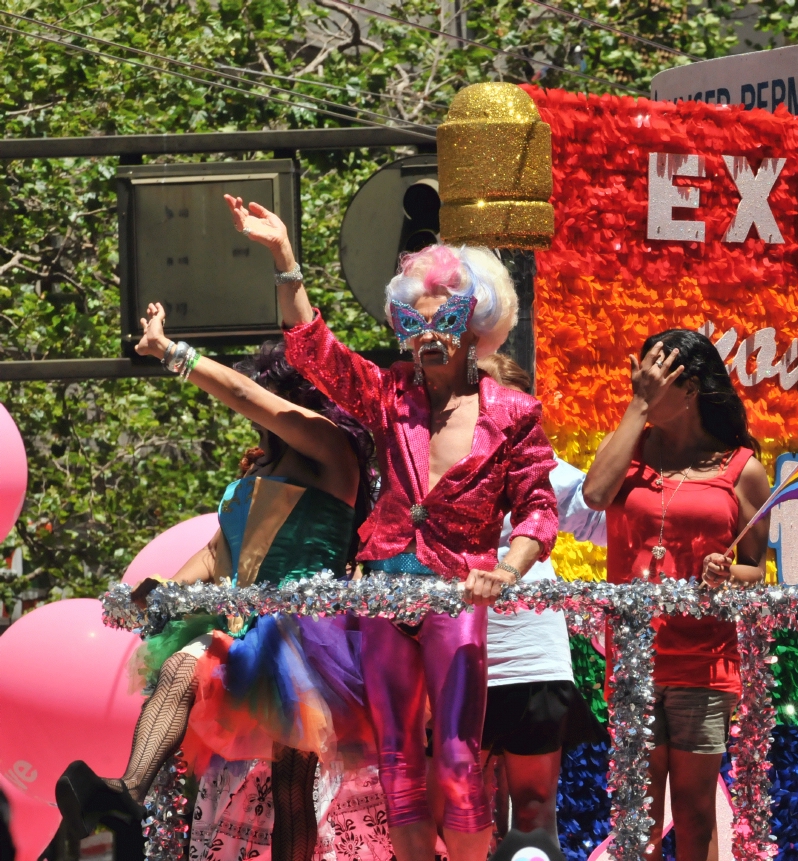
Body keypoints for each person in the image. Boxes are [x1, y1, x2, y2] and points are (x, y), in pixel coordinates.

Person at [225, 195, 559, 861]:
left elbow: (538, 508)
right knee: (399, 768)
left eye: (444, 321)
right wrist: (285, 258)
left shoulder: (513, 412)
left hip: (455, 598)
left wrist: (508, 568)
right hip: (383, 595)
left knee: (462, 762)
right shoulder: (389, 394)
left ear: (476, 323)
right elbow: (316, 352)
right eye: (412, 322)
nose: (426, 336)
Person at [56, 310, 376, 861]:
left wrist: (171, 352)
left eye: (272, 393)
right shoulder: (254, 474)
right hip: (241, 623)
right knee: (182, 664)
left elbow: (250, 399)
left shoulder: (333, 453)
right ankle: (124, 795)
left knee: (290, 786)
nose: (261, 407)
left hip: (305, 636)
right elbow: (217, 552)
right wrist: (161, 590)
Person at [581, 329, 772, 861]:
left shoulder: (742, 469)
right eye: (636, 379)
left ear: (688, 388)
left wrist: (728, 575)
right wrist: (639, 405)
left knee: (693, 812)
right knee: (637, 813)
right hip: (635, 657)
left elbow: (760, 572)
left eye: (651, 379)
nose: (638, 386)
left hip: (704, 659)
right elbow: (594, 494)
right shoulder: (630, 451)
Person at [477, 353, 609, 843]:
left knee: (534, 812)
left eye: (502, 399)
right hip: (454, 652)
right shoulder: (427, 461)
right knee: (459, 809)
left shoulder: (542, 466)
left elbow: (602, 520)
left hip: (534, 658)